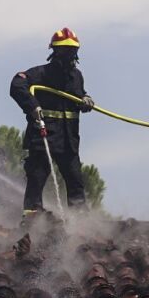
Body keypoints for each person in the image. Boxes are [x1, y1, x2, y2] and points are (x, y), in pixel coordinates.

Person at [9, 27, 95, 217]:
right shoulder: (41, 74)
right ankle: (32, 218)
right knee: (37, 179)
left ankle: (81, 223)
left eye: (72, 50)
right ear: (55, 51)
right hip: (43, 139)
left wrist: (86, 99)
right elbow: (17, 84)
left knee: (75, 182)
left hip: (68, 143)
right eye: (65, 50)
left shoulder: (76, 77)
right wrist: (32, 106)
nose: (69, 54)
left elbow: (77, 97)